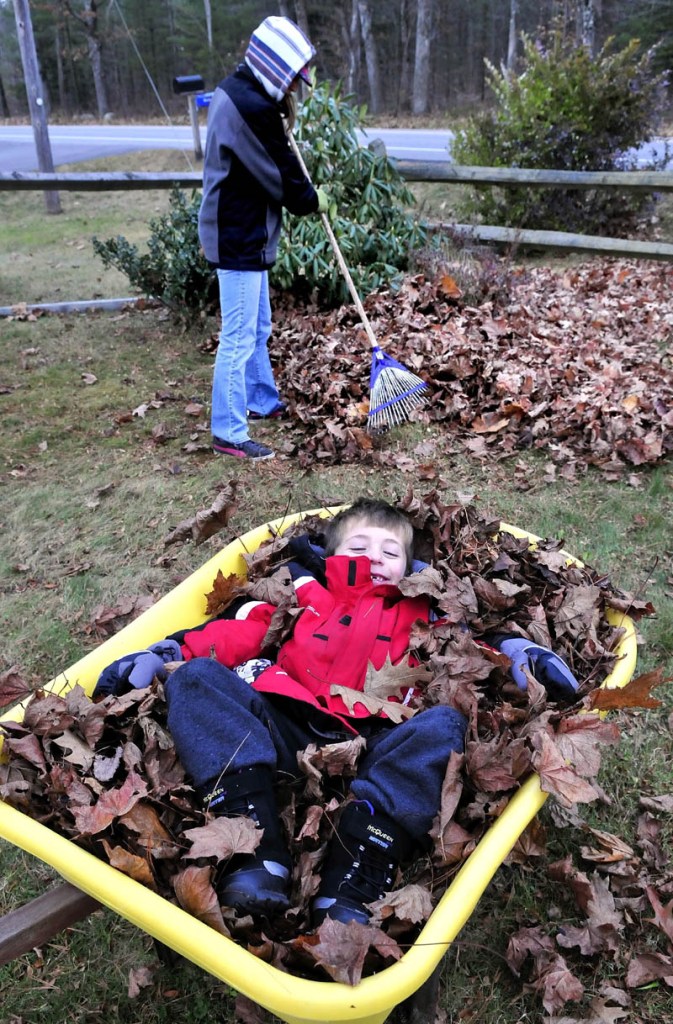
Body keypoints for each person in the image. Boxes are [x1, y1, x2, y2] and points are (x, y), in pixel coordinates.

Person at [94, 499, 579, 926]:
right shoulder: (304, 596)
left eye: (390, 553)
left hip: (377, 743)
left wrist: (520, 655)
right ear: (329, 557)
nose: (374, 559)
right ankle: (252, 836)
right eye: (359, 548)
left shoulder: (426, 611)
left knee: (443, 727)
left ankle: (359, 860)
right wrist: (163, 654)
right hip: (285, 727)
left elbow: (473, 647)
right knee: (195, 679)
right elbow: (231, 634)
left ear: (410, 566)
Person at [198, 16, 329, 461]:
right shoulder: (250, 107)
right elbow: (285, 179)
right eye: (293, 78)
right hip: (238, 234)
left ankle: (260, 399)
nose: (296, 87)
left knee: (257, 326)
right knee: (237, 336)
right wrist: (314, 199)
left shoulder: (241, 91)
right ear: (275, 67)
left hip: (245, 231)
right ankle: (229, 433)